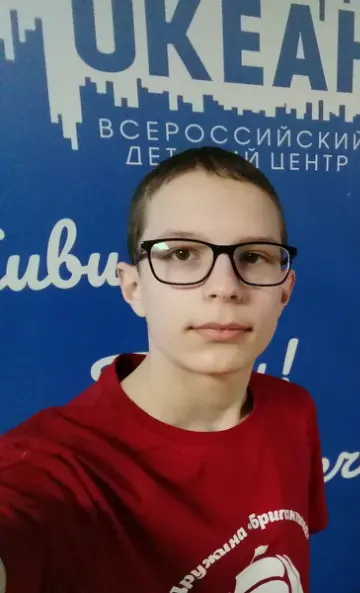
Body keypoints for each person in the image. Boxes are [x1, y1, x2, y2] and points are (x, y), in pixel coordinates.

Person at [0, 147, 328, 592]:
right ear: (133, 287)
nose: (224, 287)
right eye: (182, 253)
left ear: (284, 292)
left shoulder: (294, 409)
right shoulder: (60, 468)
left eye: (253, 256)